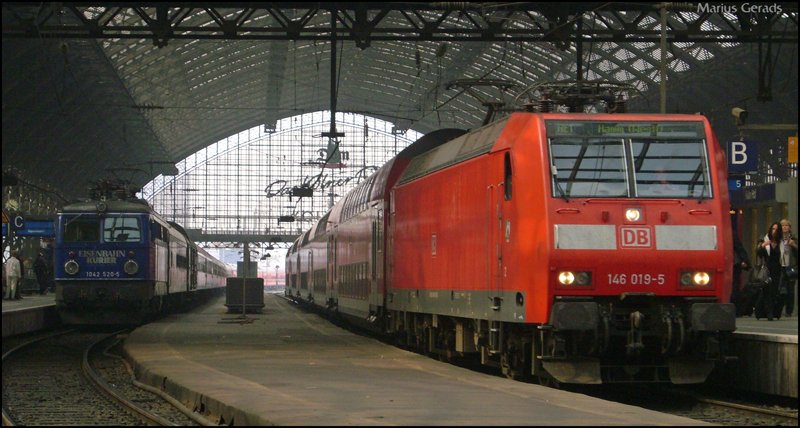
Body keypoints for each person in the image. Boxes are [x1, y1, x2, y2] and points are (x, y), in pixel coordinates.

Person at [756, 222, 782, 320]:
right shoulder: (766, 240)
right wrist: (762, 246)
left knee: (774, 291)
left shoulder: (781, 243)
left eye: (776, 229)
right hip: (767, 269)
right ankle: (769, 313)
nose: (774, 231)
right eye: (773, 229)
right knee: (767, 291)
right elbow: (759, 254)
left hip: (778, 269)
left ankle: (770, 311)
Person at [778, 219, 798, 317]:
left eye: (787, 225)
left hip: (791, 266)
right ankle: (778, 308)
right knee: (780, 287)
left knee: (790, 289)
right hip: (780, 265)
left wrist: (794, 245)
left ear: (789, 228)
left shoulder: (794, 238)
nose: (785, 227)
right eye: (782, 225)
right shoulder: (777, 238)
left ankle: (789, 310)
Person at [730, 234, 751, 311]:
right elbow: (739, 248)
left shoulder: (731, 234)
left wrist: (744, 260)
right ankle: (736, 308)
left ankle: (736, 307)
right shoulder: (732, 233)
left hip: (733, 265)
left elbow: (739, 248)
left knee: (735, 286)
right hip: (734, 264)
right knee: (735, 286)